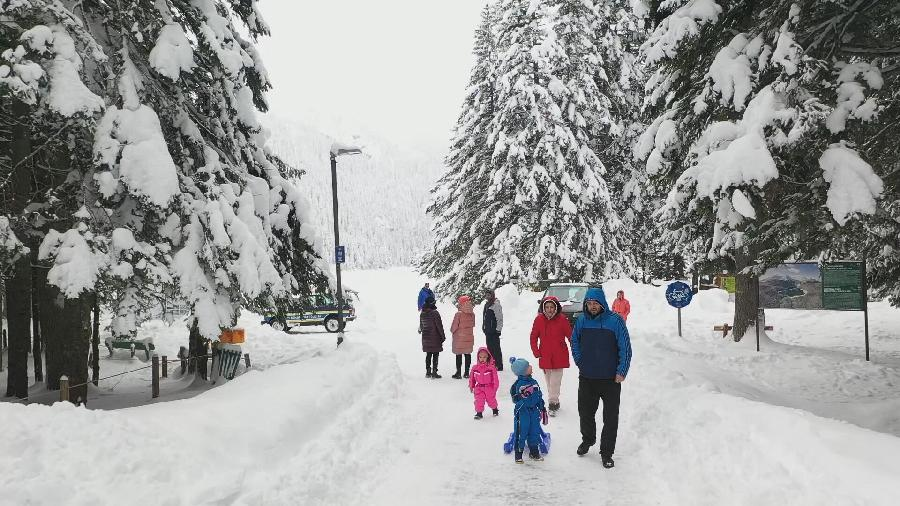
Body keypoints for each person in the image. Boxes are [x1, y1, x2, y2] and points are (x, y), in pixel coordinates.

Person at [571, 286, 632, 469]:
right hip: (587, 377)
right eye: (589, 303)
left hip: (610, 379)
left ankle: (607, 453)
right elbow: (574, 341)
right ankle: (588, 439)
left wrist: (622, 370)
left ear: (602, 303)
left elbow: (625, 347)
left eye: (595, 303)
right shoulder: (582, 320)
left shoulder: (615, 321)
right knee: (585, 413)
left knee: (610, 418)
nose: (592, 306)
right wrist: (580, 360)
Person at [529, 296, 572, 416]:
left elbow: (571, 336)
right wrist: (536, 352)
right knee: (549, 383)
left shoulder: (562, 319)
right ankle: (555, 401)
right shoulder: (539, 320)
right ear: (543, 308)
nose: (549, 309)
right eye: (547, 307)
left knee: (555, 382)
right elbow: (533, 337)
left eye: (551, 307)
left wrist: (576, 351)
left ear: (556, 307)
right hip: (545, 356)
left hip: (560, 355)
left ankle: (552, 404)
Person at [509, 357, 548, 463]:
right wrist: (522, 404)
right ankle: (518, 453)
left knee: (534, 432)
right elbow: (515, 399)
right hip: (523, 413)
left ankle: (534, 452)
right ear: (523, 371)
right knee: (521, 432)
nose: (531, 367)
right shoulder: (516, 385)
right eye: (528, 366)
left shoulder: (534, 382)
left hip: (534, 412)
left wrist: (542, 407)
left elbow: (538, 395)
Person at [468, 347, 500, 419]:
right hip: (479, 388)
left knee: (491, 400)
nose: (482, 359)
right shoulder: (475, 368)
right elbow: (472, 378)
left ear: (488, 357)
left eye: (484, 357)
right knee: (479, 401)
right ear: (478, 357)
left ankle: (495, 409)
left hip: (489, 387)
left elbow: (495, 378)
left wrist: (495, 387)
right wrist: (471, 385)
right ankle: (479, 413)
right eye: (480, 357)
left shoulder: (491, 368)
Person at [419, 295, 445, 379]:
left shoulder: (422, 313)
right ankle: (434, 372)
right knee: (435, 354)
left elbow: (421, 327)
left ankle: (428, 372)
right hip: (435, 337)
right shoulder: (435, 313)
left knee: (428, 354)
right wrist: (443, 336)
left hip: (426, 338)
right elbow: (439, 326)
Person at [450, 295, 476, 379]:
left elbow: (454, 327)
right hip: (469, 337)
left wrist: (452, 331)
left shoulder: (458, 314)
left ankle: (458, 373)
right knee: (467, 354)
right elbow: (473, 324)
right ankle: (467, 373)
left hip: (460, 337)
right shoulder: (472, 314)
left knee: (459, 355)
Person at [482, 289, 504, 371]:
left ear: (492, 295)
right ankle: (491, 363)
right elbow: (485, 318)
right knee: (489, 348)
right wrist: (484, 327)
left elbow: (500, 318)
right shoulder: (487, 304)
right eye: (486, 295)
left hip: (494, 331)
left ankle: (499, 365)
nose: (487, 297)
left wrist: (498, 330)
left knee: (496, 348)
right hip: (488, 331)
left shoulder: (496, 305)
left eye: (489, 295)